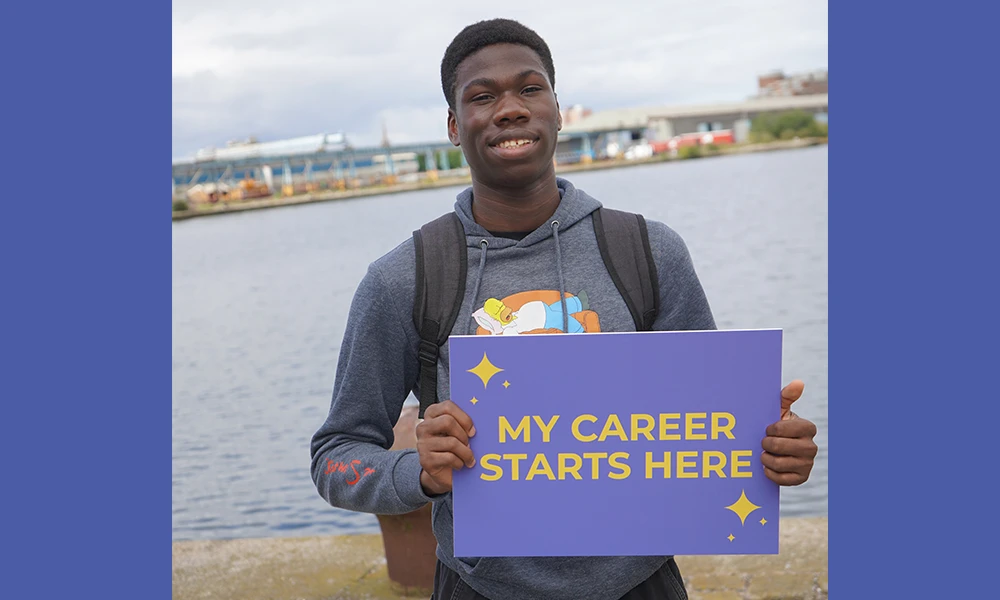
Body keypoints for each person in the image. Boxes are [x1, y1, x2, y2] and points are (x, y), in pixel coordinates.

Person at [310, 17, 819, 600]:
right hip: (480, 588)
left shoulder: (648, 252)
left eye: (530, 89)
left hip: (641, 583)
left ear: (557, 109)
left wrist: (771, 449)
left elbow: (711, 438)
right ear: (454, 125)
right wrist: (418, 472)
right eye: (482, 96)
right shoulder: (405, 278)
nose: (510, 109)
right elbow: (336, 457)